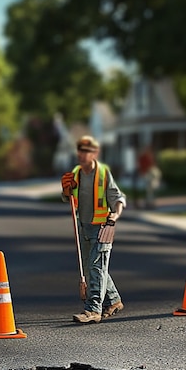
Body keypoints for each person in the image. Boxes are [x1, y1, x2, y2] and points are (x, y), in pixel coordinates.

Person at [61, 135, 126, 324]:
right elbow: (69, 198)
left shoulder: (104, 173)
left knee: (96, 267)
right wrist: (66, 191)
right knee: (93, 268)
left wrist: (114, 216)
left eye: (87, 152)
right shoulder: (76, 173)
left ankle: (93, 310)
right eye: (80, 151)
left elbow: (117, 197)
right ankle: (113, 300)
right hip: (84, 227)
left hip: (102, 228)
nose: (82, 155)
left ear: (95, 153)